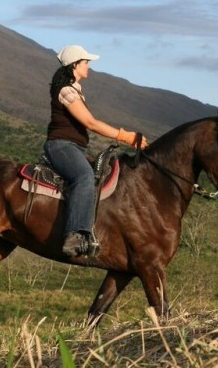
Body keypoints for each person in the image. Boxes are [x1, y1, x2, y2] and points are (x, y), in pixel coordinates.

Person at [44, 46, 148, 258]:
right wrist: (126, 136)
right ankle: (74, 235)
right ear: (75, 65)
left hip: (75, 147)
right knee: (84, 177)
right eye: (86, 63)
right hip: (62, 146)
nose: (89, 67)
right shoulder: (66, 91)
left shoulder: (75, 90)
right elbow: (90, 123)